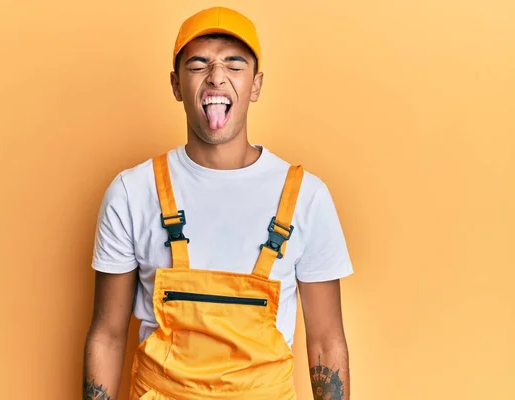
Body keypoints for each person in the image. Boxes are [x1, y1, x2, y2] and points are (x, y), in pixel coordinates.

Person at [83, 6, 353, 400]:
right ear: (176, 85)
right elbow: (106, 336)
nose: (216, 76)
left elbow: (327, 342)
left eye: (234, 63)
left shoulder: (306, 197)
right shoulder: (131, 192)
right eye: (199, 64)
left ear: (256, 85)